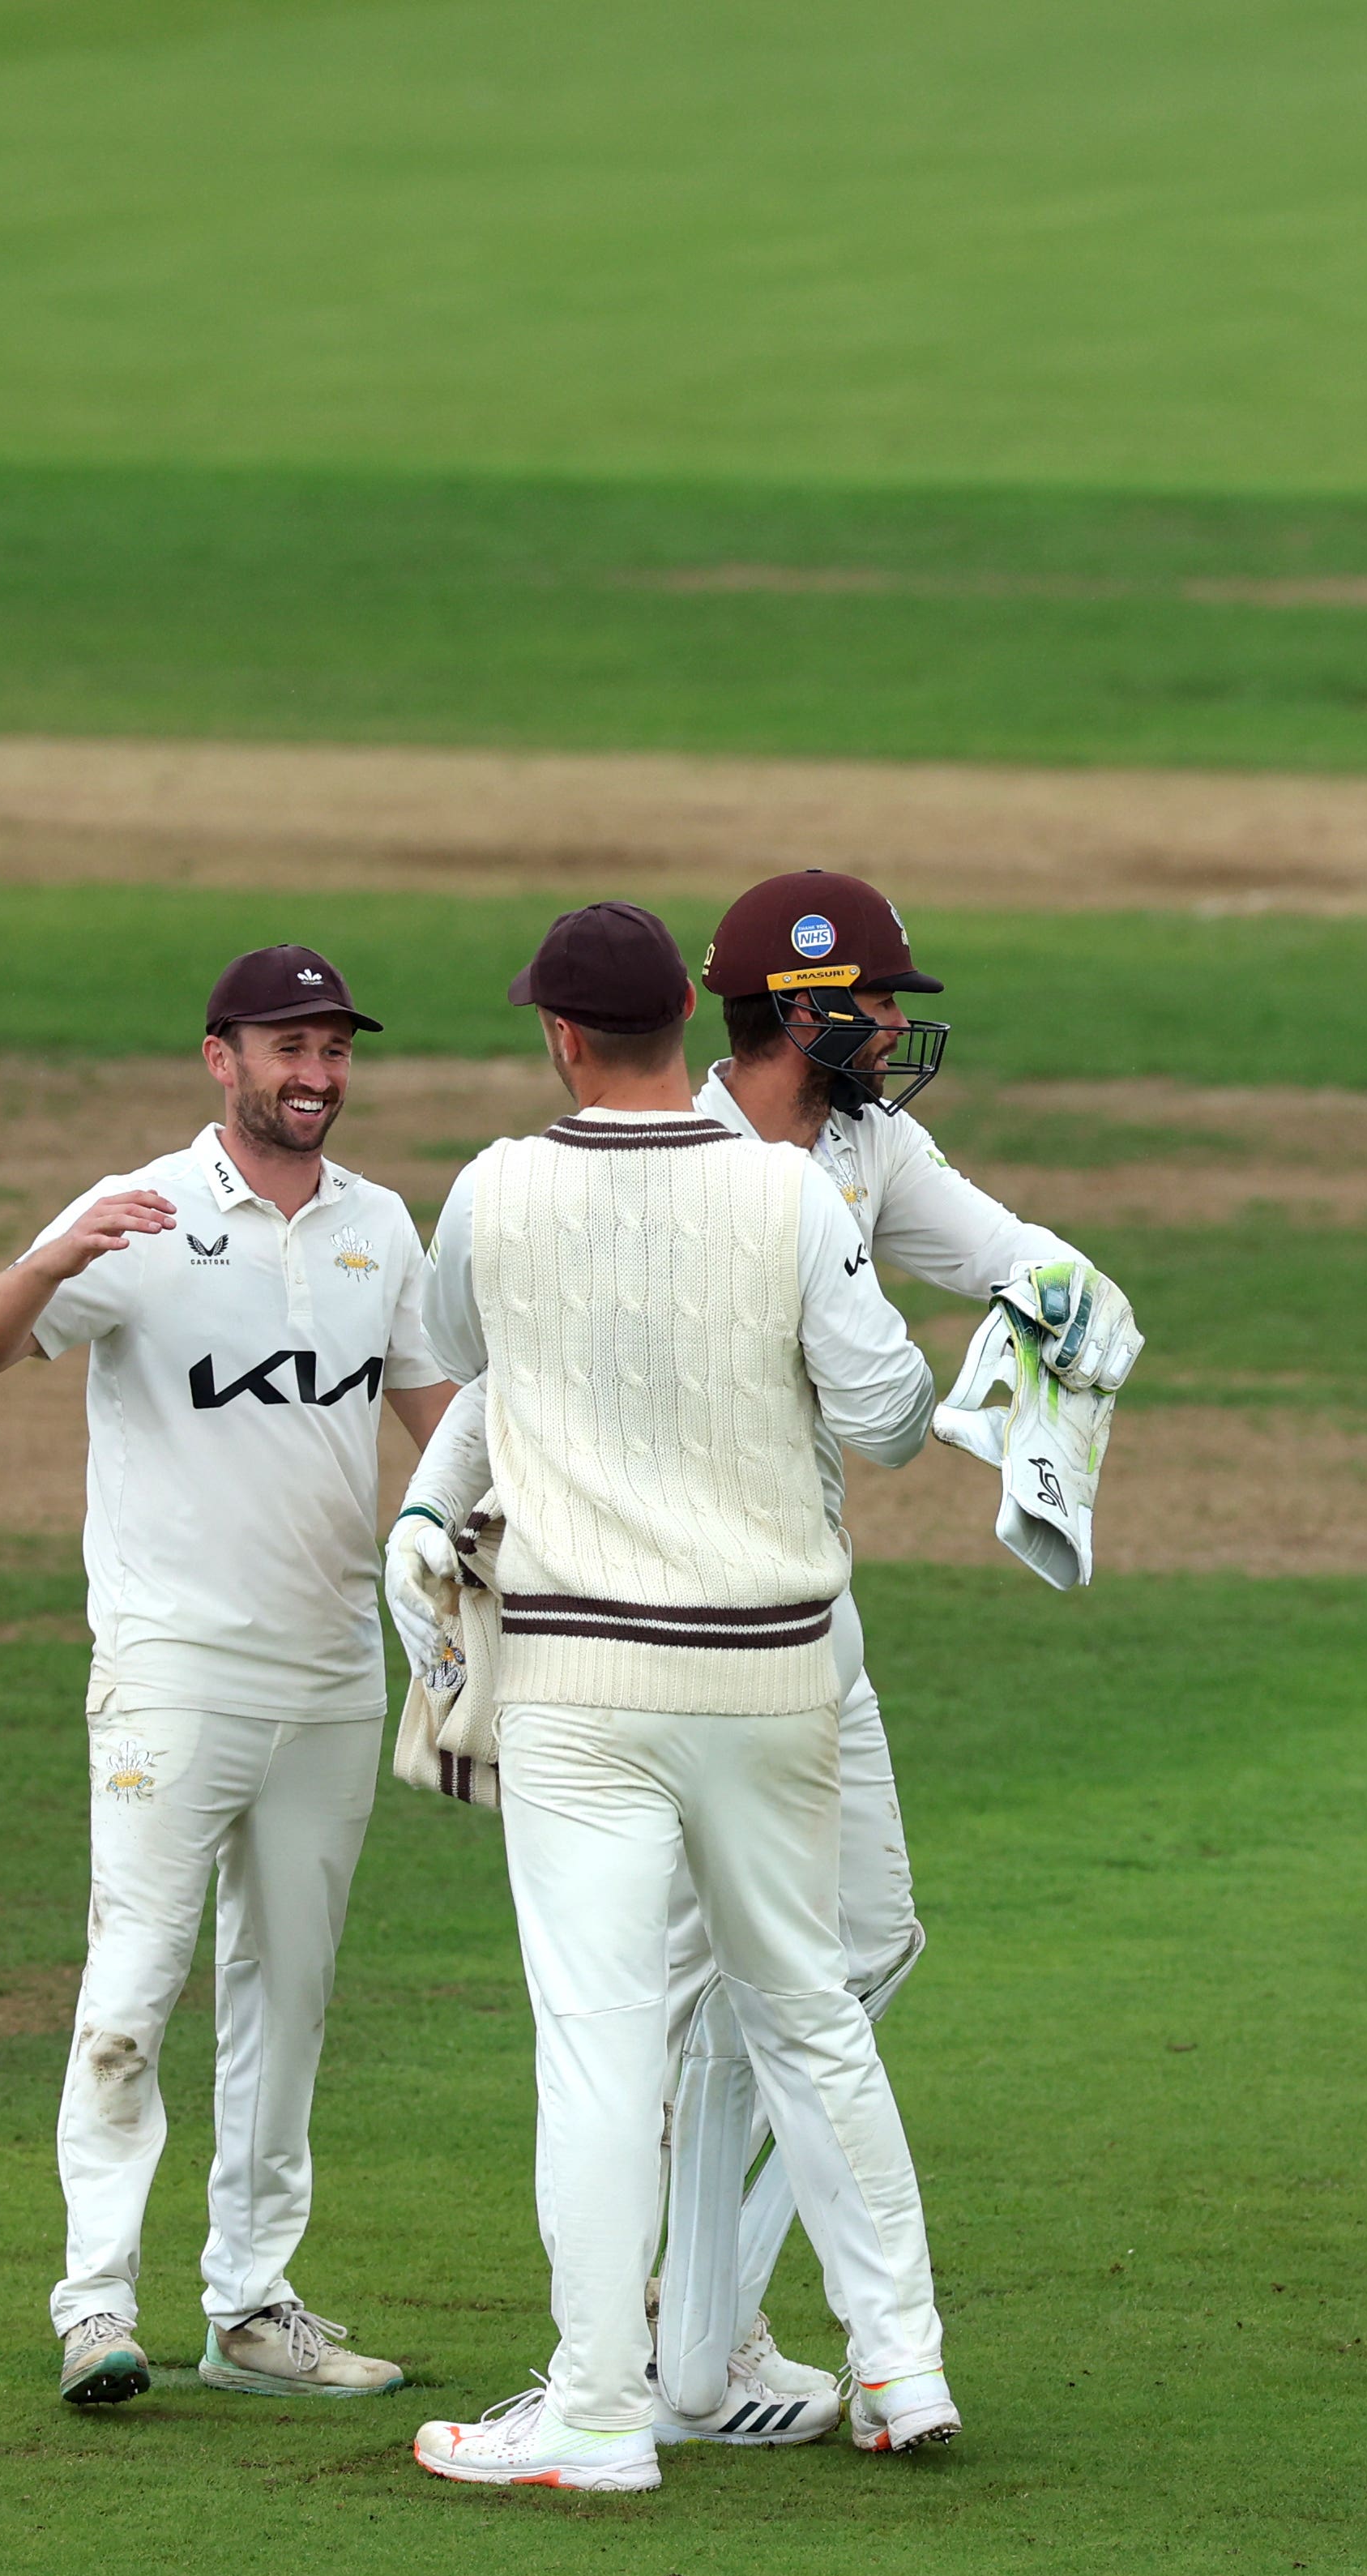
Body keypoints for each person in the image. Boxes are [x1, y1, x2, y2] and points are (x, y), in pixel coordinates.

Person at [390, 870, 1139, 2451]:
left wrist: (1059, 1325)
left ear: (561, 1036)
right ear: (756, 1017)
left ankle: (663, 2369)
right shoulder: (757, 1186)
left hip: (688, 1652)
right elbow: (862, 1415)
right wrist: (431, 1504)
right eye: (871, 1000)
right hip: (750, 1648)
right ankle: (734, 2354)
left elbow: (1019, 1265)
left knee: (788, 1983)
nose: (895, 1024)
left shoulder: (839, 1153)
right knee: (755, 2003)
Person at [0, 945, 455, 2410]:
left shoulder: (377, 1227)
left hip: (332, 1673)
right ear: (219, 1057)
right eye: (288, 1047)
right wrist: (50, 1262)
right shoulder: (142, 1217)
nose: (316, 1075)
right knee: (135, 1981)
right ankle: (94, 2303)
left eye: (335, 1050)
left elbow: (440, 1424)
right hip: (173, 1670)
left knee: (287, 1992)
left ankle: (249, 2304)